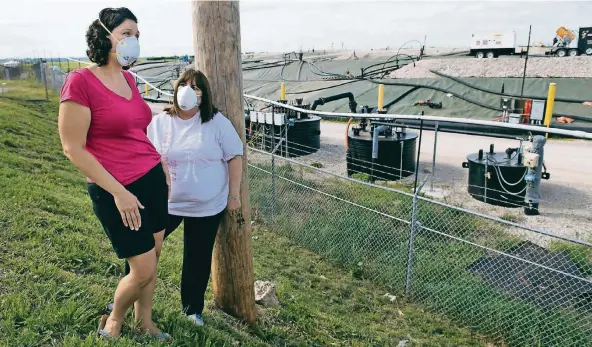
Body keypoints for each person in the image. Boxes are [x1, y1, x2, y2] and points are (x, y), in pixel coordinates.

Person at [57, 7, 170, 340]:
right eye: (126, 34)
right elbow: (72, 147)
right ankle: (114, 322)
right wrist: (119, 192)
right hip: (115, 187)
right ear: (104, 36)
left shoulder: (129, 79)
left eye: (137, 35)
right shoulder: (79, 82)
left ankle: (145, 322)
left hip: (151, 178)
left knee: (154, 255)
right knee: (143, 268)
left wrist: (159, 162)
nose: (133, 41)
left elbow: (134, 129)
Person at [147, 68, 244, 326]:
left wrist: (234, 196)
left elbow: (235, 156)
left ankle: (192, 310)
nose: (188, 91)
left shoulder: (216, 122)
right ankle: (129, 294)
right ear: (176, 89)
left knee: (197, 258)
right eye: (184, 85)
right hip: (166, 203)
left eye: (196, 87)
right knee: (144, 247)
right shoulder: (161, 122)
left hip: (206, 207)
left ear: (204, 95)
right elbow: (147, 155)